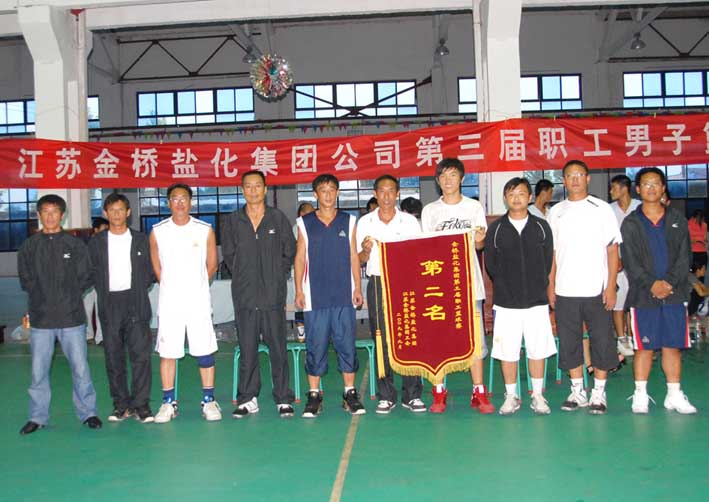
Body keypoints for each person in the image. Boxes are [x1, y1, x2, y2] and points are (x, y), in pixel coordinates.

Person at [17, 194, 102, 434]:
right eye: (45, 211)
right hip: (41, 319)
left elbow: (87, 275)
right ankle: (37, 417)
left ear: (62, 215)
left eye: (54, 211)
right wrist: (43, 297)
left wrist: (68, 294)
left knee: (80, 369)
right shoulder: (29, 247)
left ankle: (88, 413)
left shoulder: (75, 245)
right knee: (38, 372)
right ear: (39, 215)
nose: (50, 216)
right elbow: (26, 279)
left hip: (71, 318)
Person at [421, 157, 494, 414]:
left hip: (469, 284)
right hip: (438, 287)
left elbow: (479, 245)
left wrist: (480, 239)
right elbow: (425, 248)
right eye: (443, 176)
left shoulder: (473, 207)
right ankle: (439, 390)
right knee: (439, 339)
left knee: (475, 340)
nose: (448, 180)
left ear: (462, 178)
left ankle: (479, 391)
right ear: (437, 180)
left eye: (453, 175)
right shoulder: (430, 211)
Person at [547, 160, 621, 415]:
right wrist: (551, 285)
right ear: (564, 180)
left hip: (596, 290)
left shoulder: (602, 209)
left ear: (588, 178)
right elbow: (552, 254)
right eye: (570, 175)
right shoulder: (556, 211)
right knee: (570, 342)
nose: (575, 179)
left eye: (580, 174)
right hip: (565, 290)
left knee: (601, 340)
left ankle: (599, 392)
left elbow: (612, 250)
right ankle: (577, 391)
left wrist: (610, 287)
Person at [222, 170, 297, 419]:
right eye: (248, 186)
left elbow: (290, 250)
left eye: (257, 186)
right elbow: (229, 256)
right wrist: (244, 276)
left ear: (265, 190)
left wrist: (276, 275)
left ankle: (283, 398)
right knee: (247, 348)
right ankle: (247, 398)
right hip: (244, 296)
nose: (253, 190)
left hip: (273, 297)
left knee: (278, 348)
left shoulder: (277, 218)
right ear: (242, 190)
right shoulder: (233, 221)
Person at [621, 167, 696, 414]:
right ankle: (640, 395)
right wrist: (652, 284)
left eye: (656, 183)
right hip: (644, 295)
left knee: (672, 346)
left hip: (675, 294)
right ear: (638, 189)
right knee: (644, 347)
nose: (651, 188)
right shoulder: (631, 223)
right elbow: (630, 260)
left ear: (663, 188)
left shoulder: (677, 219)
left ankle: (674, 395)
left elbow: (685, 257)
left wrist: (669, 283)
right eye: (646, 183)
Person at [294, 174, 366, 418]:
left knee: (346, 344)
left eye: (332, 189)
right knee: (315, 346)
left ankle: (350, 393)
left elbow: (354, 255)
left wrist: (358, 287)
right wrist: (299, 290)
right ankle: (314, 395)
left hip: (343, 294)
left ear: (337, 193)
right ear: (315, 194)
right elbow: (300, 257)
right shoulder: (304, 222)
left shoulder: (349, 221)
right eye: (323, 190)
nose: (327, 194)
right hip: (315, 296)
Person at [149, 183, 222, 423]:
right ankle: (168, 402)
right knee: (168, 352)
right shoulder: (158, 231)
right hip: (170, 303)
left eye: (184, 198)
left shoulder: (204, 230)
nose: (179, 202)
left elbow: (212, 265)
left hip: (198, 302)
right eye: (174, 198)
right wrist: (173, 288)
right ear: (168, 203)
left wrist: (195, 287)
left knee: (205, 351)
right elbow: (157, 268)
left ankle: (208, 401)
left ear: (191, 202)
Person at [485, 177, 557, 415]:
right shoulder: (496, 229)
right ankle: (511, 396)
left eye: (521, 194)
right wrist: (506, 285)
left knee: (537, 349)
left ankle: (537, 395)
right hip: (507, 303)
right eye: (511, 194)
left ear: (530, 197)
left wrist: (539, 285)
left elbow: (547, 260)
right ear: (506, 198)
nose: (516, 198)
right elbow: (491, 264)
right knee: (508, 351)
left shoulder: (541, 226)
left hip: (536, 301)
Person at [357, 175, 426, 414]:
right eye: (382, 191)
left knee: (409, 337)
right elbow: (358, 259)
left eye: (391, 191)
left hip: (406, 283)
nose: (386, 196)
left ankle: (412, 394)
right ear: (375, 194)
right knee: (381, 338)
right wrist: (365, 251)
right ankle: (386, 395)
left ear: (397, 194)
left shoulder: (409, 222)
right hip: (377, 282)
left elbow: (419, 255)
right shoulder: (365, 222)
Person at [88, 193, 155, 423]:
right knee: (113, 358)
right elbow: (90, 271)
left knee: (141, 358)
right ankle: (121, 405)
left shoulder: (141, 239)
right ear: (105, 213)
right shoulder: (96, 242)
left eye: (120, 210)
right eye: (112, 210)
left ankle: (141, 405)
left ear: (128, 212)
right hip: (110, 304)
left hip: (136, 302)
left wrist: (138, 289)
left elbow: (150, 271)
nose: (116, 214)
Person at [609, 174, 641, 360]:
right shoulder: (610, 210)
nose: (611, 191)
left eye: (614, 188)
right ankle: (622, 339)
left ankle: (636, 337)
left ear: (624, 188)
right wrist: (616, 260)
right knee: (619, 302)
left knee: (636, 303)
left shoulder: (639, 207)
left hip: (638, 265)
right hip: (618, 264)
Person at [84, 216, 109, 344]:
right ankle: (88, 335)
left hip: (102, 281)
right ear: (96, 230)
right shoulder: (85, 244)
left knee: (101, 309)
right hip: (88, 282)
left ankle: (101, 337)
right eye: (104, 229)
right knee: (86, 309)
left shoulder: (107, 244)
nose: (106, 232)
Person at [292, 202, 315, 340]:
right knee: (301, 300)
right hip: (301, 271)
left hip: (315, 271)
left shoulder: (316, 226)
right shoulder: (296, 228)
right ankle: (301, 331)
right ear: (302, 214)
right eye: (310, 212)